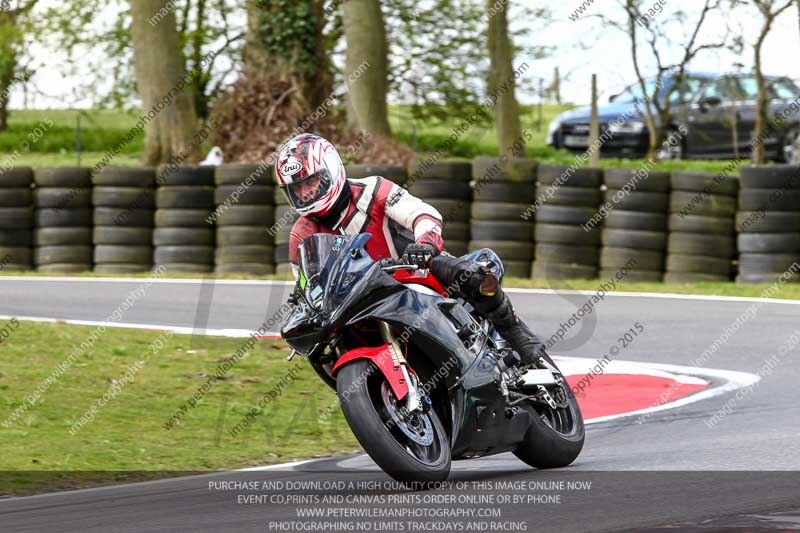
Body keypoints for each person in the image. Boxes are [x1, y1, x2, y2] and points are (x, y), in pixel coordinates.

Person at [275, 133, 546, 368]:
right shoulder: (301, 234)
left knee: (472, 275)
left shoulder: (373, 190)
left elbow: (420, 213)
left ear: (331, 171)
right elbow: (306, 283)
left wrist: (425, 243)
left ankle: (515, 332)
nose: (306, 193)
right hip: (358, 300)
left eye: (310, 182)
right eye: (297, 189)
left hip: (410, 270)